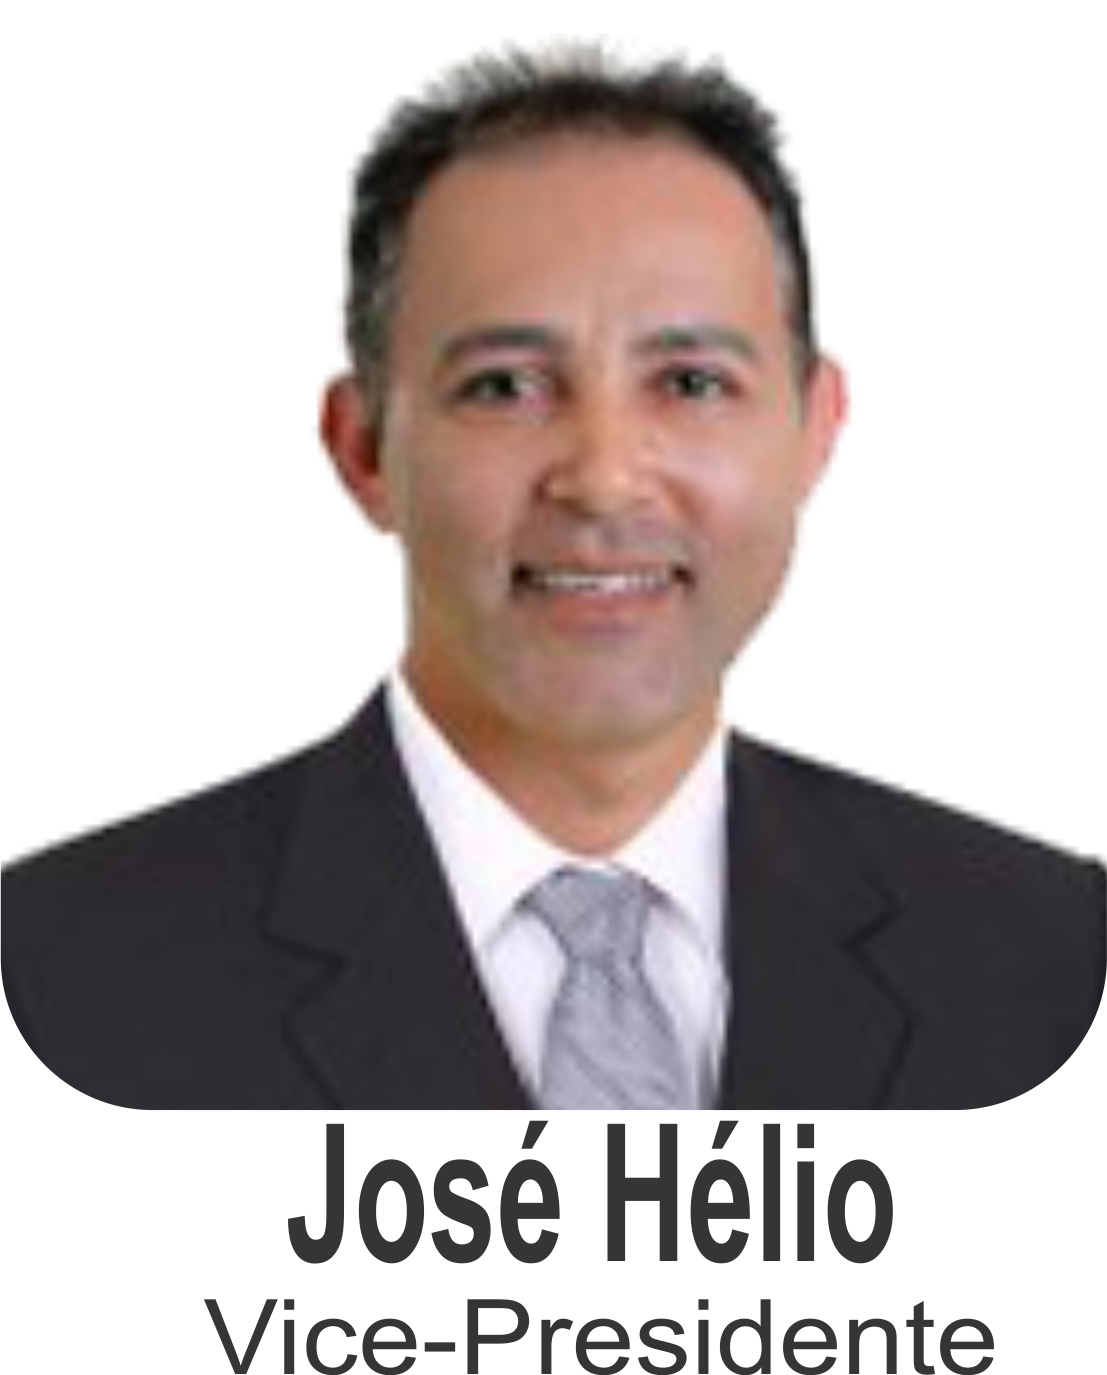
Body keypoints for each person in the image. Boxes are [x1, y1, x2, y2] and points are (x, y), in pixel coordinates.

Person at [0, 38, 1102, 1111]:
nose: (606, 478)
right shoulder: (59, 981)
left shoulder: (1053, 963)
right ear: (362, 446)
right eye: (504, 386)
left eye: (691, 381)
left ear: (818, 428)